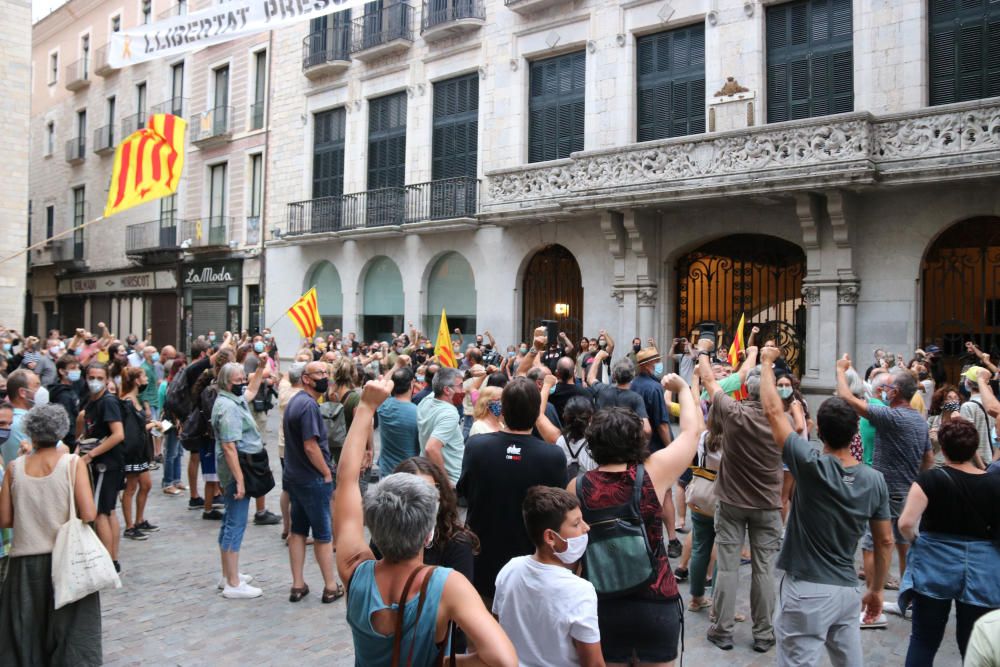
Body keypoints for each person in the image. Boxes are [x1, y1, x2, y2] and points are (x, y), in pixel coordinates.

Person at [333, 377, 518, 666]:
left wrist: (366, 408)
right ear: (427, 533)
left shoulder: (354, 569)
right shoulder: (446, 584)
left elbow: (345, 481)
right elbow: (504, 659)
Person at [759, 347, 893, 666]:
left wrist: (766, 362)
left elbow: (772, 413)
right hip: (846, 590)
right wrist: (875, 590)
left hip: (806, 590)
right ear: (855, 432)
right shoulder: (874, 480)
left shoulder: (810, 464)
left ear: (818, 428)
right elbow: (885, 540)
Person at [570, 373, 703, 666]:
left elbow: (570, 552)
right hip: (656, 600)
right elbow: (693, 432)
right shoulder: (654, 472)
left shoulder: (577, 487)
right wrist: (682, 388)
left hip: (602, 602)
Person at [0, 404, 102, 666]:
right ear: (60, 430)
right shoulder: (72, 463)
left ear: (30, 433)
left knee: (26, 634)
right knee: (73, 633)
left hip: (25, 562)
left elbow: (5, 519)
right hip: (67, 558)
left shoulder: (14, 467)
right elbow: (89, 513)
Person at [699, 347, 782, 653]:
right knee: (764, 570)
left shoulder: (733, 412)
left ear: (747, 388)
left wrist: (704, 352)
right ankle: (763, 633)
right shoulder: (780, 422)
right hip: (767, 504)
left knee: (729, 567)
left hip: (732, 501)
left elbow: (708, 380)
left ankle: (722, 630)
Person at [897, 419, 1000, 664]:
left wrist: (918, 542)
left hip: (935, 563)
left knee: (923, 639)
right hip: (982, 568)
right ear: (975, 449)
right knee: (973, 641)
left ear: (942, 448)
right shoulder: (996, 483)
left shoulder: (930, 480)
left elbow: (905, 524)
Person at [458, 377, 567, 601]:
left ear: (503, 410)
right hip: (532, 557)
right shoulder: (552, 455)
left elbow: (464, 491)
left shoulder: (476, 447)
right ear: (537, 412)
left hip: (484, 553)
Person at [835, 356, 933, 594]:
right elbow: (928, 460)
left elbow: (848, 398)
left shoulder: (890, 417)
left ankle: (873, 598)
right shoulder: (920, 422)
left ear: (896, 392)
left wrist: (840, 370)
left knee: (872, 545)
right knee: (903, 545)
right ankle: (907, 598)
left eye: (887, 388)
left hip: (884, 492)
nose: (883, 391)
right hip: (907, 492)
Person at [493, 486, 603, 667]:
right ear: (551, 537)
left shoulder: (510, 569)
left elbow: (496, 630)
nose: (586, 528)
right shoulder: (580, 590)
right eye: (576, 524)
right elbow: (594, 663)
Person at [282, 361, 344, 603]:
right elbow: (310, 446)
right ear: (306, 378)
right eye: (320, 373)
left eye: (326, 373)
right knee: (322, 534)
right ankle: (330, 586)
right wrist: (326, 472)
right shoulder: (308, 405)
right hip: (312, 478)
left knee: (297, 530)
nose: (325, 377)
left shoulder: (295, 401)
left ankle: (297, 584)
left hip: (295, 476)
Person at [211, 362, 264, 599]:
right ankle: (232, 583)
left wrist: (261, 368)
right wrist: (240, 481)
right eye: (238, 380)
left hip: (237, 468)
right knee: (236, 523)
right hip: (237, 470)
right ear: (226, 382)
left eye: (244, 378)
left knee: (230, 521)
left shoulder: (233, 399)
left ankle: (228, 575)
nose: (242, 382)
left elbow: (251, 391)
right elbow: (229, 447)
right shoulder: (228, 407)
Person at [630, 347, 682, 558]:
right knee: (666, 492)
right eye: (656, 361)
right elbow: (661, 424)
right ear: (647, 365)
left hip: (636, 446)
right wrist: (672, 448)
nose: (659, 364)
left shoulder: (632, 385)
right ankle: (671, 539)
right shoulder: (654, 388)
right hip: (657, 447)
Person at [79, 362, 125, 573]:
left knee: (102, 513)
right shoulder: (92, 401)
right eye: (91, 377)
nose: (94, 381)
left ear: (107, 379)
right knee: (108, 511)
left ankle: (108, 561)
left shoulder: (108, 402)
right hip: (104, 463)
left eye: (99, 377)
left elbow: (118, 434)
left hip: (107, 464)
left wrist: (90, 455)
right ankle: (112, 559)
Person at [120, 367, 157, 540]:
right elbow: (131, 430)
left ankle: (139, 519)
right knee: (131, 488)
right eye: (143, 376)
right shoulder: (127, 401)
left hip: (140, 450)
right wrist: (150, 426)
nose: (146, 379)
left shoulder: (135, 399)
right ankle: (129, 526)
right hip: (133, 452)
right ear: (136, 380)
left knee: (146, 484)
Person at [585, 352, 652, 440]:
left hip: (603, 442)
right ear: (633, 375)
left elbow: (590, 378)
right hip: (625, 445)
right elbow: (646, 430)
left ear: (613, 375)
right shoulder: (636, 398)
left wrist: (598, 357)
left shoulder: (602, 390)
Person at [417, 367, 465, 485]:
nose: (463, 390)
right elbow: (431, 448)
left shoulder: (426, 401)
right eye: (460, 386)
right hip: (451, 479)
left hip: (428, 473)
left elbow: (438, 385)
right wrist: (445, 483)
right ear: (447, 390)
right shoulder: (450, 413)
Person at [376, 367, 419, 478]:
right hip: (409, 473)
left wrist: (397, 365)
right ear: (411, 383)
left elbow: (380, 386)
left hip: (386, 471)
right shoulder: (418, 412)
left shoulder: (383, 405)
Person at [960, 368, 997, 469]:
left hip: (978, 464)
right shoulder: (994, 405)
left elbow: (969, 440)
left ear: (968, 382)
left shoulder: (967, 406)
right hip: (994, 460)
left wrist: (982, 468)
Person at [3, 369, 41, 465]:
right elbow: (60, 450)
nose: (40, 390)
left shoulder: (6, 420)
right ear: (22, 392)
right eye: (36, 386)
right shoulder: (27, 422)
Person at [48, 354, 82, 453]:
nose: (77, 370)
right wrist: (74, 443)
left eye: (77, 368)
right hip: (69, 443)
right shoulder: (63, 395)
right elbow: (67, 423)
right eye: (72, 368)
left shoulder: (72, 388)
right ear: (62, 371)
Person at [556, 396, 597, 474]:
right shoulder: (595, 443)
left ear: (565, 417)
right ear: (590, 418)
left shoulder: (560, 441)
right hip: (588, 484)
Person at [548, 357, 592, 424]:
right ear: (574, 371)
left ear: (557, 372)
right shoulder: (585, 393)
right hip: (580, 431)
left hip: (557, 431)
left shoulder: (550, 393)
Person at [928, 384, 963, 468]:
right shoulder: (932, 421)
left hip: (954, 466)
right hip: (934, 466)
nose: (954, 401)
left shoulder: (962, 421)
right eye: (949, 398)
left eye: (956, 398)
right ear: (941, 403)